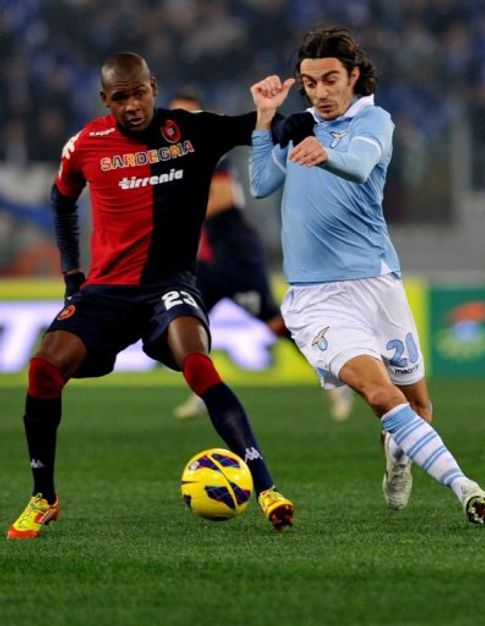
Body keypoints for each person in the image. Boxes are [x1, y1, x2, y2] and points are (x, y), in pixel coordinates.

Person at [6, 52, 294, 540]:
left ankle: (266, 489)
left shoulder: (191, 131)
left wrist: (281, 114)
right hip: (106, 293)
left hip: (169, 286)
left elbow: (261, 128)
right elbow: (61, 201)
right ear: (105, 100)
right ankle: (43, 495)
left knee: (198, 363)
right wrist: (73, 275)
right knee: (43, 368)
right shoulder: (85, 145)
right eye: (121, 97)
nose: (133, 105)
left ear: (153, 86)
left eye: (139, 92)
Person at [248, 26, 485, 525]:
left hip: (378, 285)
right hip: (317, 299)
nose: (320, 92)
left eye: (330, 79)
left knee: (418, 407)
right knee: (381, 395)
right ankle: (467, 489)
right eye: (309, 82)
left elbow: (361, 166)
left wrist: (327, 154)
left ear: (354, 75)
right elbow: (259, 184)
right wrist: (265, 120)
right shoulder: (299, 125)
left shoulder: (374, 120)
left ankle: (398, 452)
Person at [168, 90, 354, 422]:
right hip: (207, 264)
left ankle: (335, 379)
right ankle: (204, 394)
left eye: (192, 115)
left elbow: (224, 198)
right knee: (188, 325)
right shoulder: (173, 159)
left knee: (274, 324)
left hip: (237, 259)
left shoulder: (212, 154)